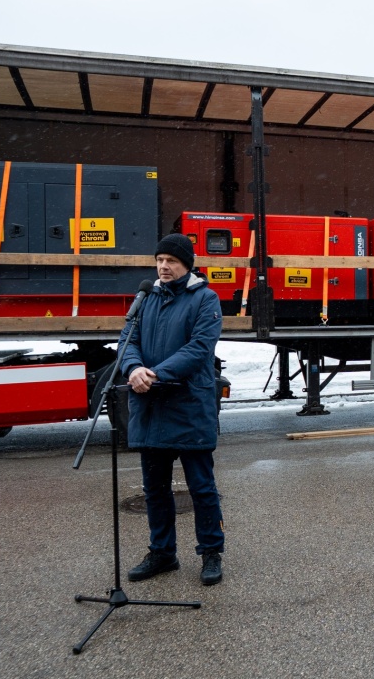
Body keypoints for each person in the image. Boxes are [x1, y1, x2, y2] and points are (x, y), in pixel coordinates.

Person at [122, 233, 226, 586]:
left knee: (201, 487)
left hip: (188, 407)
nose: (164, 266)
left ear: (186, 266)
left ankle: (211, 552)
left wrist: (155, 373)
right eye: (160, 260)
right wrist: (133, 368)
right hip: (151, 408)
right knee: (155, 488)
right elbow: (127, 340)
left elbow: (200, 349)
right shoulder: (146, 299)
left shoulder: (205, 299)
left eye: (172, 261)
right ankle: (163, 552)